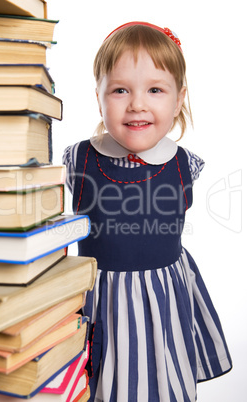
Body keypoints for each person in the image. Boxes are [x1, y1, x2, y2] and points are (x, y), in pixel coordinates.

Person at [63, 21, 232, 402]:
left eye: (155, 90)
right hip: (100, 297)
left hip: (162, 297)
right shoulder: (79, 159)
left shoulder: (183, 163)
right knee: (99, 379)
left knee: (159, 375)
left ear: (178, 98)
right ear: (99, 97)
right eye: (120, 90)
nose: (137, 103)